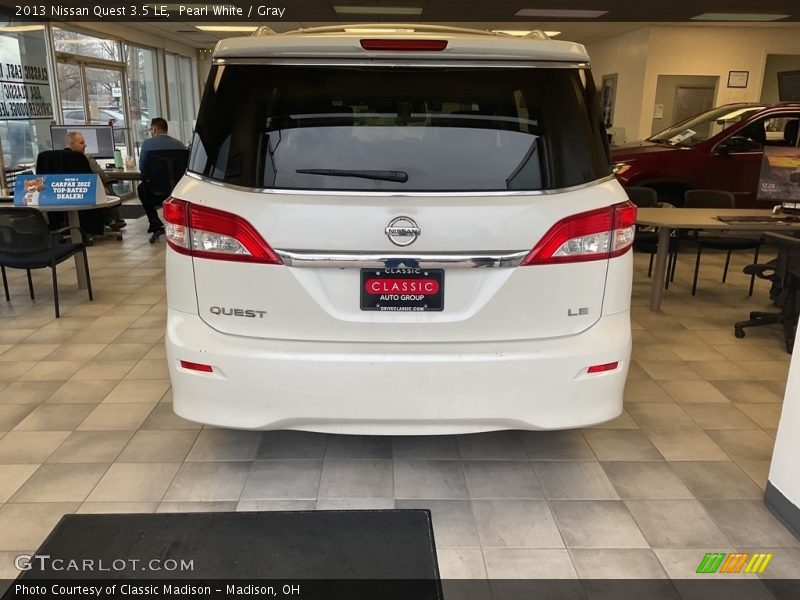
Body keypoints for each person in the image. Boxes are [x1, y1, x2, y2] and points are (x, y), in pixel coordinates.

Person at [65, 131, 126, 232]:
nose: (85, 145)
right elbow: (104, 177)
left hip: (65, 195)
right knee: (105, 188)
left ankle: (108, 220)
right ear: (71, 144)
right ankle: (112, 220)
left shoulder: (58, 159)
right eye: (81, 143)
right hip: (87, 193)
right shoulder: (86, 158)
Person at [138, 118, 186, 235]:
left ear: (154, 130)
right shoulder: (180, 145)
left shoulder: (147, 145)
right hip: (177, 190)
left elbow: (142, 169)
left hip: (155, 190)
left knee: (141, 188)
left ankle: (154, 222)